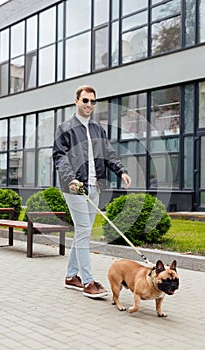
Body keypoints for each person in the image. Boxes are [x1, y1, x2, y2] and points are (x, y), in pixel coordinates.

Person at [53, 85, 131, 298]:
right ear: (76, 101)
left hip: (95, 187)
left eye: (93, 101)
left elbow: (108, 152)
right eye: (85, 100)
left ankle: (71, 276)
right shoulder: (65, 128)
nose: (89, 105)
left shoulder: (98, 129)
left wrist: (121, 170)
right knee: (84, 230)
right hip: (75, 188)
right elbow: (60, 157)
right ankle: (88, 281)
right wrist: (71, 179)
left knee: (82, 232)